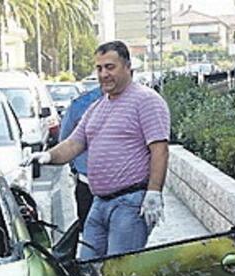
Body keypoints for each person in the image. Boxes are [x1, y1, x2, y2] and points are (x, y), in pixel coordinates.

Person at [24, 41, 170, 260]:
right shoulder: (98, 106)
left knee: (117, 274)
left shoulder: (147, 101)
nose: (104, 74)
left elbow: (160, 150)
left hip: (129, 205)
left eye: (110, 67)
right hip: (99, 202)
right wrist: (46, 156)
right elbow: (74, 144)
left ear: (127, 66)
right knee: (88, 269)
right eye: (99, 68)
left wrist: (154, 193)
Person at [58, 83, 104, 225]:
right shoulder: (82, 104)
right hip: (88, 186)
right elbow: (66, 142)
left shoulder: (139, 103)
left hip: (126, 192)